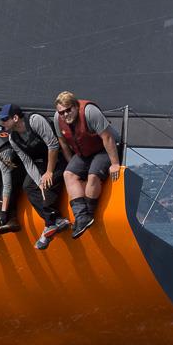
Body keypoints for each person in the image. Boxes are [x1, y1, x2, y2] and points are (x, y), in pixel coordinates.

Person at [0, 104, 70, 250]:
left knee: (50, 183)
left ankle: (50, 225)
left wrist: (49, 172)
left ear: (16, 118)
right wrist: (39, 182)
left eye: (5, 119)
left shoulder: (35, 121)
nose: (2, 123)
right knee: (28, 186)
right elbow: (26, 161)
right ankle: (56, 221)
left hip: (57, 158)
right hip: (40, 164)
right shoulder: (13, 138)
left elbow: (53, 145)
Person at [53, 91, 121, 238]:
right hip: (84, 152)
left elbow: (108, 138)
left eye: (68, 110)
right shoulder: (58, 118)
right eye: (62, 112)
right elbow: (63, 144)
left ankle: (89, 213)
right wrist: (72, 163)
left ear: (76, 106)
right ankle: (81, 217)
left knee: (93, 175)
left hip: (104, 148)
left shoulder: (90, 112)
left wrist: (115, 164)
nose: (65, 115)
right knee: (68, 174)